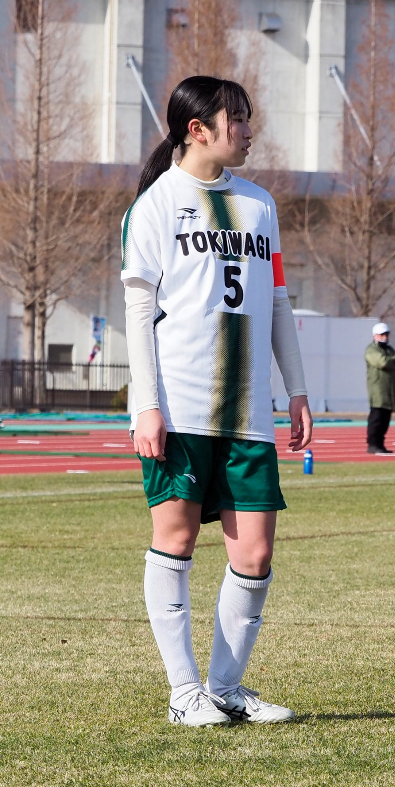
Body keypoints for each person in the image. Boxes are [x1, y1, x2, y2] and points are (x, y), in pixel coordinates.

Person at [122, 75, 312, 728]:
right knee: (174, 540)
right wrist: (146, 405)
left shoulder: (260, 206)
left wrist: (298, 390)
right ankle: (184, 693)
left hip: (248, 410)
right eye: (238, 120)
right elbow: (138, 312)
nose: (249, 131)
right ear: (196, 129)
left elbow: (278, 302)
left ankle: (226, 689)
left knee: (254, 554)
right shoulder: (155, 205)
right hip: (179, 406)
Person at [363, 322, 395, 455]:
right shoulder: (371, 349)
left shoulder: (389, 349)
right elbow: (382, 362)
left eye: (386, 334)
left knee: (385, 419)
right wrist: (392, 361)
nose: (385, 337)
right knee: (377, 417)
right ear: (375, 335)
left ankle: (380, 444)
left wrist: (391, 360)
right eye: (382, 334)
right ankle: (373, 444)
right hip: (378, 389)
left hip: (389, 390)